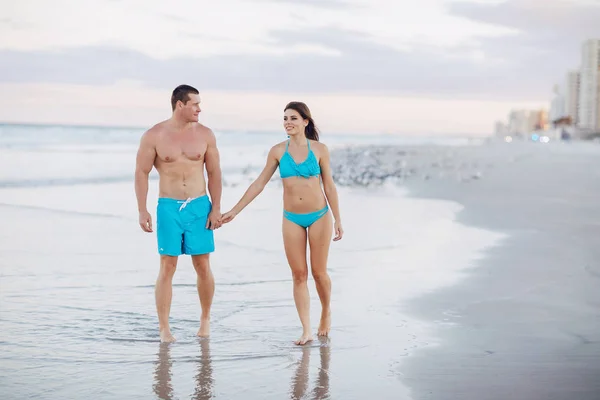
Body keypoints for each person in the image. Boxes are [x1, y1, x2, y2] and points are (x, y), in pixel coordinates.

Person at [221, 101, 343, 345]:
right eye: (285, 118)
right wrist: (235, 210)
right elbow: (259, 183)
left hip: (319, 215)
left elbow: (329, 184)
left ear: (305, 122)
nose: (288, 122)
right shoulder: (277, 151)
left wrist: (338, 218)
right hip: (291, 218)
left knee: (319, 273)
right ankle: (306, 330)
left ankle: (326, 312)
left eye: (294, 118)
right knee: (299, 274)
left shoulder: (319, 149)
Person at [135, 84, 223, 343]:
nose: (199, 108)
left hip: (199, 205)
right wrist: (143, 209)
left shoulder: (206, 134)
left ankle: (205, 320)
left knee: (202, 265)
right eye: (194, 103)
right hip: (168, 207)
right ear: (180, 104)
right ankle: (164, 328)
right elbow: (141, 172)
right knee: (167, 266)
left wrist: (216, 207)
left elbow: (214, 173)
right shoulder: (154, 135)